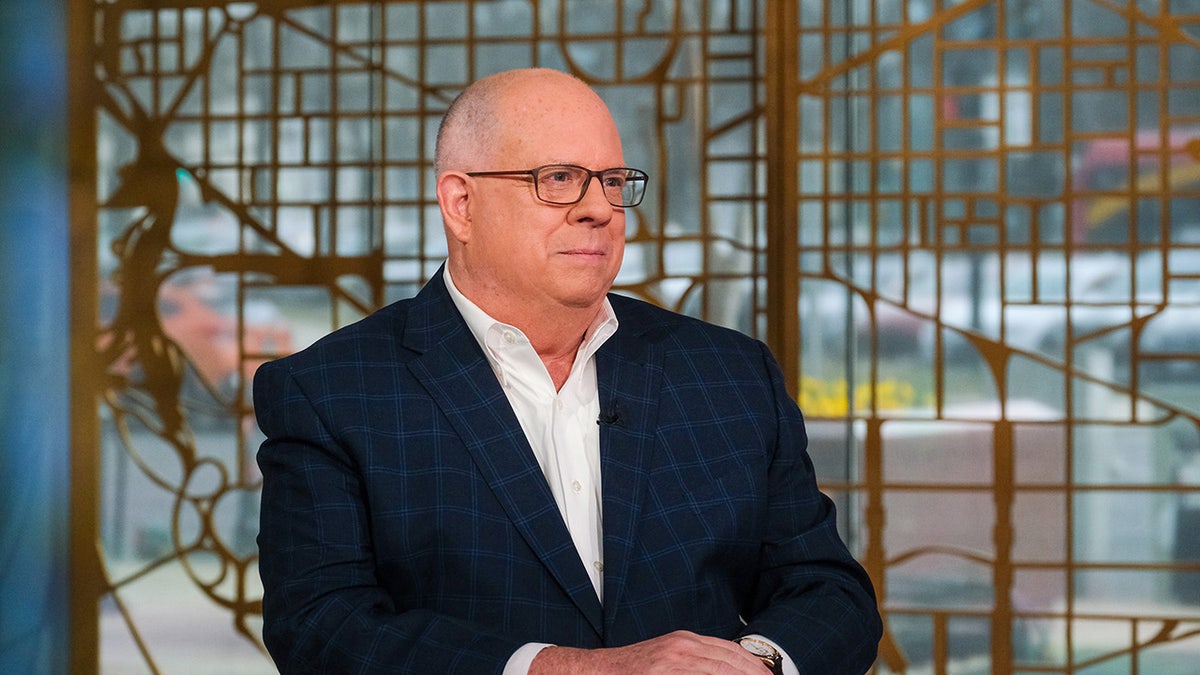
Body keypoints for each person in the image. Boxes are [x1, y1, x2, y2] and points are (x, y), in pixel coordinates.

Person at [254, 67, 882, 674]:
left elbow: (830, 594)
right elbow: (321, 628)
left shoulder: (730, 373)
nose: (599, 209)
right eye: (558, 178)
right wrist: (568, 670)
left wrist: (755, 665)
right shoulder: (332, 392)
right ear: (461, 203)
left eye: (612, 181)